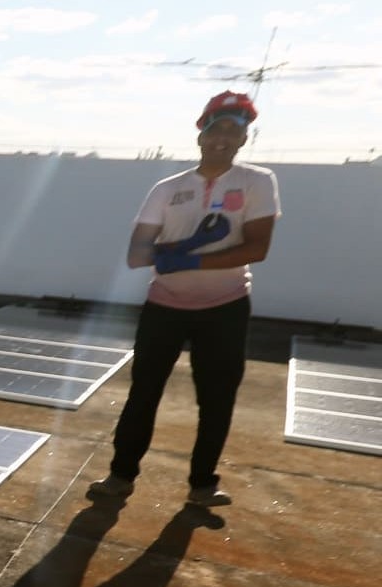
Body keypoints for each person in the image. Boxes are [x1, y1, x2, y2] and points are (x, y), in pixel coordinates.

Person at [90, 90, 279, 508]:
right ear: (201, 135)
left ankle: (202, 484)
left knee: (216, 398)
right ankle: (120, 477)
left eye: (234, 130)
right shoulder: (167, 189)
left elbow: (256, 249)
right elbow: (136, 254)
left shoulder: (257, 183)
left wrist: (185, 257)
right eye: (216, 129)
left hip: (225, 308)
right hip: (165, 307)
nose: (223, 138)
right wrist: (170, 256)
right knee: (144, 392)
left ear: (244, 138)